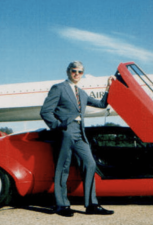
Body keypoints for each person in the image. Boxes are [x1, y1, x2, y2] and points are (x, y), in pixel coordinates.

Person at [40, 61, 115, 217]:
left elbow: (101, 104)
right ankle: (62, 205)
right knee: (63, 167)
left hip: (80, 133)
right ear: (68, 71)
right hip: (65, 131)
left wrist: (109, 87)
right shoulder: (59, 88)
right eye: (74, 71)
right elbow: (45, 111)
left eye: (80, 71)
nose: (76, 74)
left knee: (90, 163)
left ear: (82, 73)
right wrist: (59, 126)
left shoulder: (82, 93)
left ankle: (91, 205)